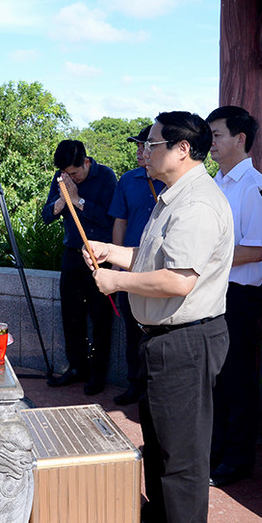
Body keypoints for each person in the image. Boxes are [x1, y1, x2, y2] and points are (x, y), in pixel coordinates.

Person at [83, 111, 233, 523]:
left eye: (152, 144)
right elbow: (152, 260)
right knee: (160, 437)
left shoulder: (197, 204)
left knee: (181, 445)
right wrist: (113, 253)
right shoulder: (173, 196)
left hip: (185, 338)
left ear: (182, 149)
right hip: (163, 337)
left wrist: (116, 282)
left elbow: (178, 280)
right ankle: (164, 520)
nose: (144, 152)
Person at [206, 105, 262, 487]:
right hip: (213, 292)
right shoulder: (214, 184)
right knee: (215, 379)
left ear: (240, 139)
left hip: (239, 297)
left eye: (217, 135)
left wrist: (204, 258)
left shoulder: (254, 187)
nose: (211, 142)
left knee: (237, 379)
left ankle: (237, 459)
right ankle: (215, 451)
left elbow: (257, 250)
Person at [42, 140, 116, 395]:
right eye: (66, 173)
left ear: (86, 162)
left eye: (74, 173)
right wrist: (62, 201)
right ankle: (76, 367)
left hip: (99, 257)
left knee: (100, 317)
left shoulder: (105, 176)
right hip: (73, 255)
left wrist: (77, 199)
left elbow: (109, 218)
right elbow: (46, 216)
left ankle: (97, 374)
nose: (70, 177)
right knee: (71, 315)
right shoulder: (61, 178)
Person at [108, 125, 165, 406]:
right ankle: (134, 385)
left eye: (146, 146)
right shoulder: (128, 180)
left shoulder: (171, 181)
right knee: (132, 333)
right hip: (131, 267)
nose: (141, 152)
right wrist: (116, 263)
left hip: (161, 269)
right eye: (139, 147)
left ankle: (154, 391)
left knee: (157, 334)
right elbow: (120, 221)